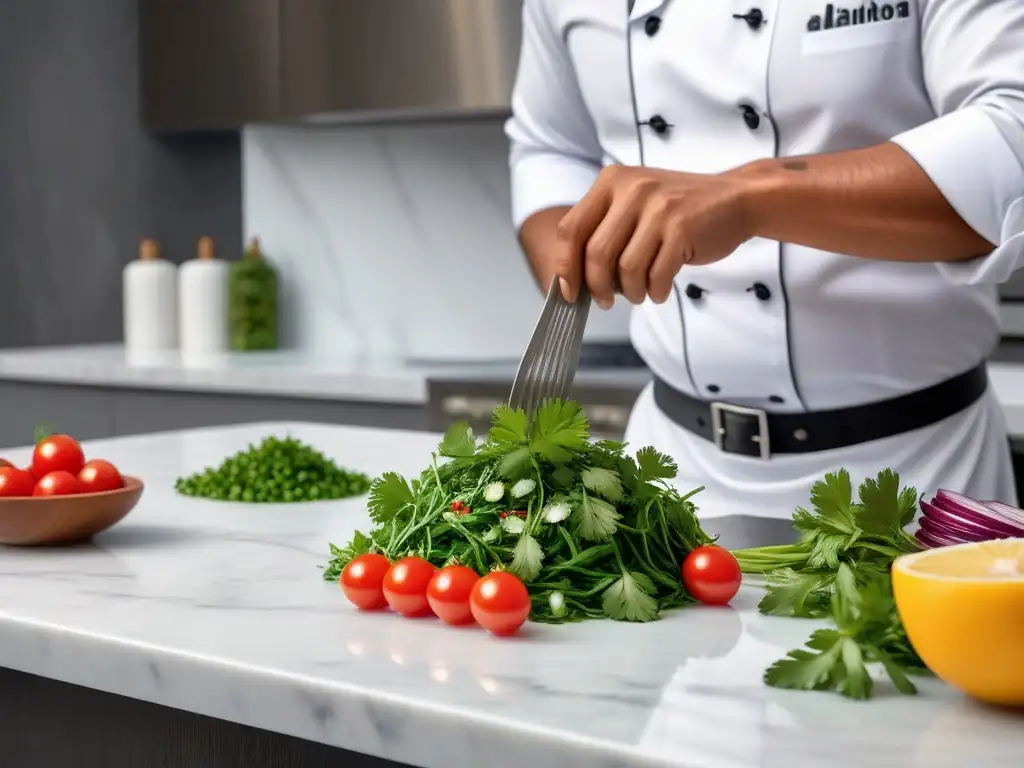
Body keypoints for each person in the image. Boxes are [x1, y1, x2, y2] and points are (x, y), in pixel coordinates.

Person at [504, 0, 1024, 520]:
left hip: (921, 477)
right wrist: (574, 248)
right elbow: (549, 146)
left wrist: (750, 198)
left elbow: (1011, 138)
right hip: (671, 478)